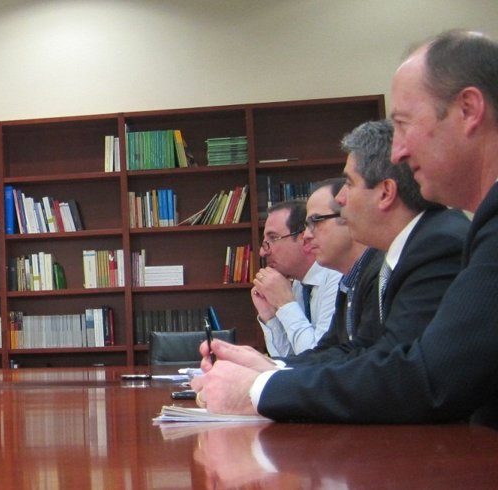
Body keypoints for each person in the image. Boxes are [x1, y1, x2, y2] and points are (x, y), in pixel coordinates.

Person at [193, 29, 498, 426]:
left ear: (469, 110)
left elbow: (427, 379)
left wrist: (258, 390)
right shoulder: (462, 230)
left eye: (404, 124)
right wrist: (273, 371)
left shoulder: (446, 240)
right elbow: (371, 354)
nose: (399, 151)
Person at [284, 120, 468, 366]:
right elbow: (359, 348)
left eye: (349, 183)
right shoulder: (403, 251)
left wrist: (268, 382)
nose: (340, 198)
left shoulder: (438, 247)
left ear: (385, 193)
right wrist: (271, 370)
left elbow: (396, 365)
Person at [286, 177, 381, 358]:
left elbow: (364, 358)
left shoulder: (380, 273)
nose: (306, 235)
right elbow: (330, 351)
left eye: (316, 221)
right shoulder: (349, 280)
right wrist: (267, 367)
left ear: (348, 216)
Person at [252, 200, 341, 357]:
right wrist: (269, 315)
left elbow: (318, 358)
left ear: (304, 239)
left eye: (273, 238)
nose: (262, 252)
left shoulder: (337, 277)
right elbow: (291, 360)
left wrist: (285, 303)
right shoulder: (299, 284)